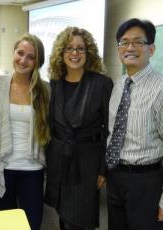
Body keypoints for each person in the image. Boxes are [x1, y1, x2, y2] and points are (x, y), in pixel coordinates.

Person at [106, 18, 163, 230]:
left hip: (146, 183)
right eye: (124, 42)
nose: (130, 47)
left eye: (138, 42)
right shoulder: (118, 86)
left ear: (151, 49)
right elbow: (112, 132)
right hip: (116, 177)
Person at [44, 26, 113, 230]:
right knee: (63, 218)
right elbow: (50, 124)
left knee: (80, 220)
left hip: (87, 163)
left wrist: (104, 169)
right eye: (69, 48)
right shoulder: (55, 84)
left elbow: (109, 130)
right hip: (59, 160)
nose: (74, 53)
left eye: (80, 48)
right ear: (61, 53)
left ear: (88, 52)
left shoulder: (101, 84)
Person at [0, 33, 50, 230]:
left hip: (33, 168)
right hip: (2, 166)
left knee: (32, 224)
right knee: (6, 225)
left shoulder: (46, 90)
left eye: (31, 57)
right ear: (13, 52)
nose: (23, 60)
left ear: (38, 62)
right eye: (20, 53)